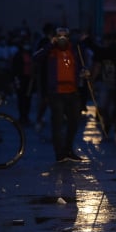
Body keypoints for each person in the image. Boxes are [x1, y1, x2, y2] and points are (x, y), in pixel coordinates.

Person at [32, 26, 91, 162]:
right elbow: (36, 57)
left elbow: (83, 63)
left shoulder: (75, 49)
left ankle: (68, 149)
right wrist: (50, 44)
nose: (62, 39)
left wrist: (84, 71)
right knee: (57, 123)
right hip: (56, 93)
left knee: (74, 122)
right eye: (60, 36)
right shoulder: (50, 50)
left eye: (65, 36)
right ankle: (60, 153)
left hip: (73, 91)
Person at [11, 36, 34, 125]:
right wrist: (15, 79)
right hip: (21, 78)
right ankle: (22, 116)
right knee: (21, 98)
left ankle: (26, 116)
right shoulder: (18, 55)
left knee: (28, 98)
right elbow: (14, 69)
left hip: (29, 79)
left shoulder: (30, 54)